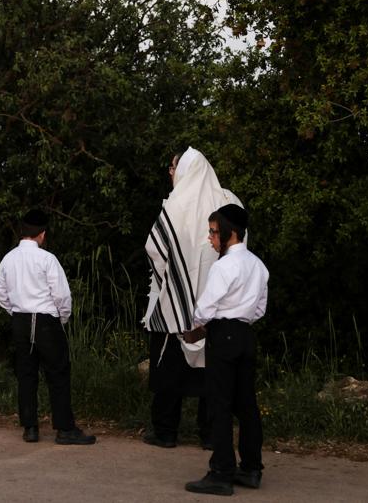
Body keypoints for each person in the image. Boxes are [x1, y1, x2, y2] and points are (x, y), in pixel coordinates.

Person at [142, 147, 243, 449]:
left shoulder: (176, 204)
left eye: (173, 168)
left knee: (169, 367)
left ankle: (165, 431)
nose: (171, 174)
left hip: (176, 302)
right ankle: (211, 434)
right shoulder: (230, 201)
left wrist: (171, 281)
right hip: (218, 304)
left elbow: (155, 249)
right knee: (213, 369)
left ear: (184, 170)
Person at [183, 204, 269, 496]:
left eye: (213, 232)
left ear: (230, 233)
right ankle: (251, 468)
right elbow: (260, 309)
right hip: (246, 335)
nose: (210, 238)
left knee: (219, 404)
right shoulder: (258, 265)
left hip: (223, 335)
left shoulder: (223, 267)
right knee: (246, 405)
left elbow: (204, 309)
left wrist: (199, 325)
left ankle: (221, 473)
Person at [0, 209, 96, 445]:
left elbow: (2, 296)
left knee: (26, 374)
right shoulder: (47, 259)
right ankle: (64, 429)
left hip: (20, 320)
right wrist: (62, 319)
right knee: (58, 374)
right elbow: (61, 295)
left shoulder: (8, 259)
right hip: (46, 322)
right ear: (42, 234)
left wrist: (17, 312)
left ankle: (30, 428)